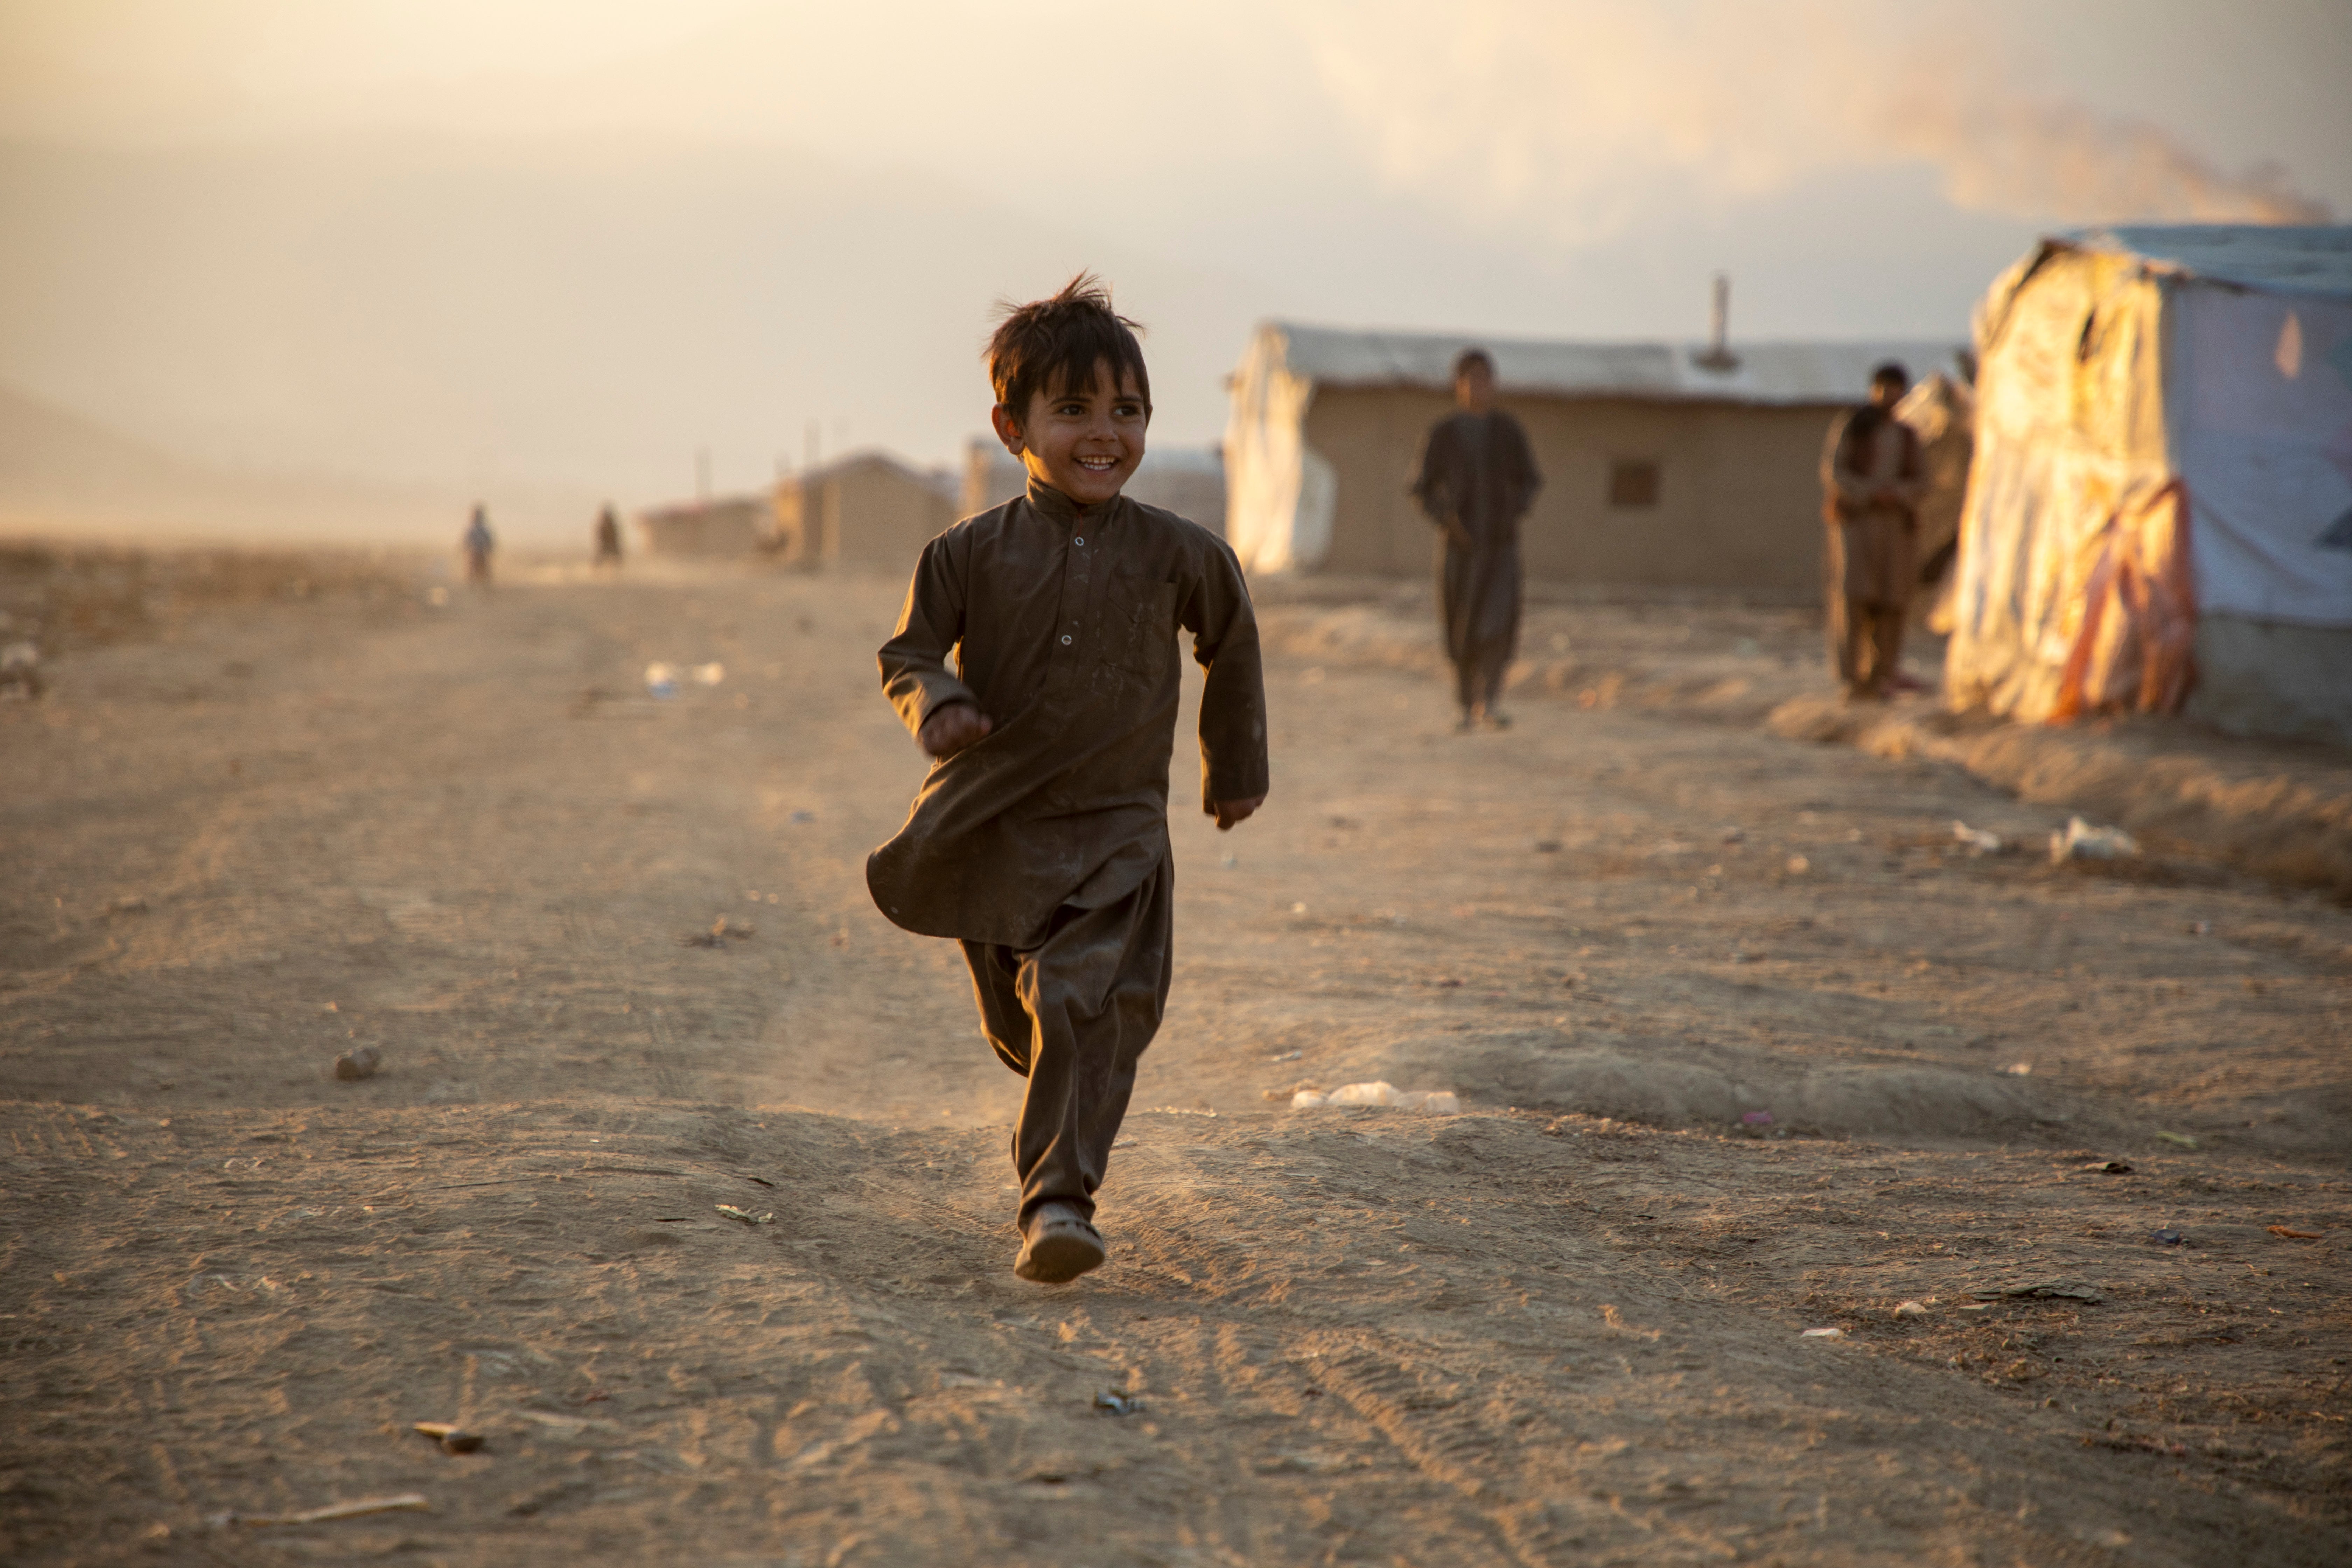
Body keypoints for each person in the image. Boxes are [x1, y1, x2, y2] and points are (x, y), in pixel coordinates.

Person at [868, 274, 1269, 1286]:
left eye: (1127, 412)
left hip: (1120, 830)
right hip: (994, 827)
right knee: (1029, 1020)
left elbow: (1232, 642)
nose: (1107, 435)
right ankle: (1052, 1083)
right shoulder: (967, 555)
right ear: (1013, 425)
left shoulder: (1184, 555)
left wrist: (1235, 768)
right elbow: (908, 653)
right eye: (1076, 410)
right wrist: (941, 707)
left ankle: (1058, 1200)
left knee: (1082, 997)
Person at [1410, 349, 1542, 730]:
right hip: (1460, 549)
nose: (1479, 386)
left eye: (1485, 379)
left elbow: (1531, 480)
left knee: (1498, 624)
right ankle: (1467, 704)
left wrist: (1513, 510)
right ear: (1459, 385)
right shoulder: (1443, 434)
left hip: (1500, 547)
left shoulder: (1508, 432)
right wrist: (1446, 520)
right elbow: (1419, 488)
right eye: (1472, 379)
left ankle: (1492, 701)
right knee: (1461, 625)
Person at [1820, 362, 1927, 700]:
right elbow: (1835, 472)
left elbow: (1923, 481)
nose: (1890, 396)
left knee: (1892, 602)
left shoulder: (1908, 436)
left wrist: (1897, 494)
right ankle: (1852, 679)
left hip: (1895, 527)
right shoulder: (1853, 428)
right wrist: (1869, 492)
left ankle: (1881, 675)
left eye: (1896, 389)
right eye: (1884, 388)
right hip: (1858, 523)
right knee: (1855, 598)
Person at [462, 504, 495, 588]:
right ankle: (472, 585)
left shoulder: (483, 530)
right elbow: (467, 541)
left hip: (481, 552)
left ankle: (485, 585)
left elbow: (489, 541)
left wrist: (489, 549)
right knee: (472, 570)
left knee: (484, 570)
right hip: (474, 553)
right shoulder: (472, 529)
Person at [594, 504, 623, 570]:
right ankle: (597, 571)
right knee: (601, 559)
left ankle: (618, 571)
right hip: (605, 545)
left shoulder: (611, 525)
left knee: (617, 558)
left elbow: (615, 536)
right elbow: (600, 536)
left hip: (612, 544)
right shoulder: (603, 526)